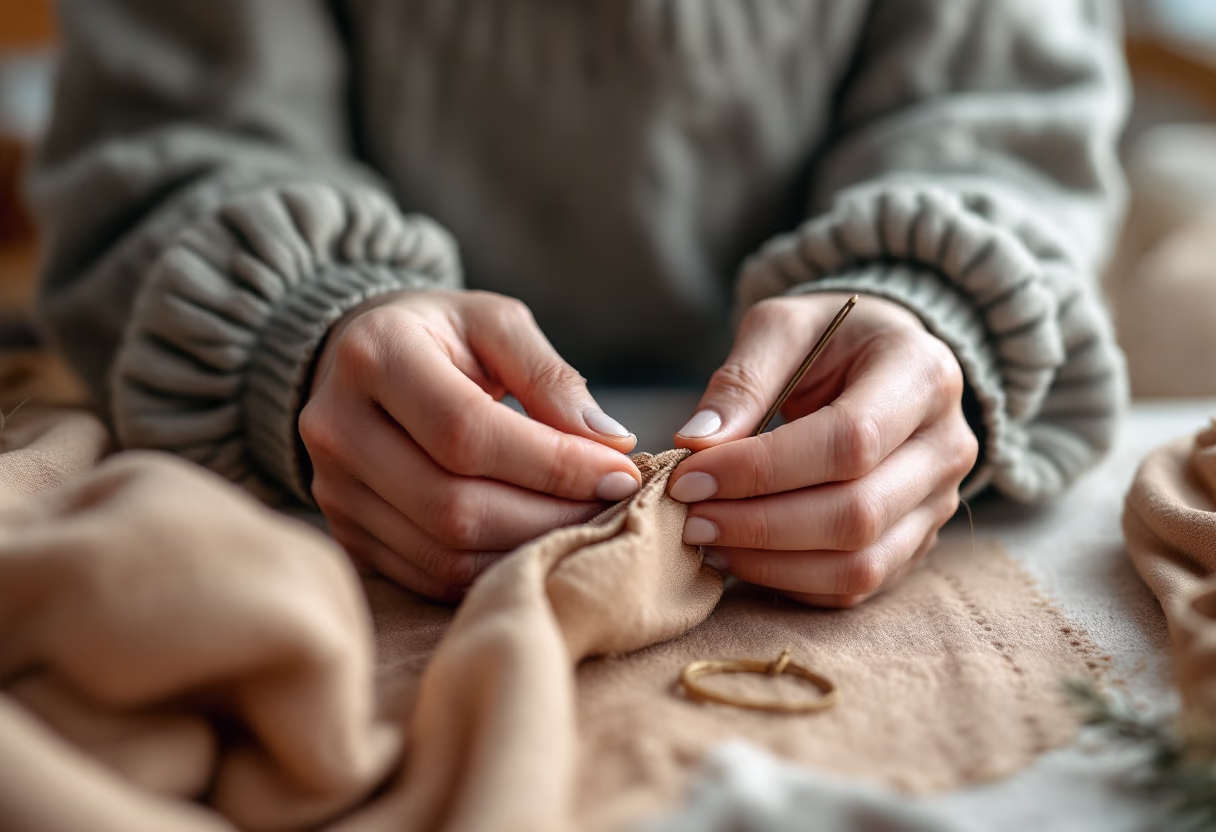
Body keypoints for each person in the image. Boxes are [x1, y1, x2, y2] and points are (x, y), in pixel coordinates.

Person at [29, 1, 1128, 606]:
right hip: (330, 505)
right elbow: (167, 132)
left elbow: (1003, 109)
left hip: (853, 499)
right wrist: (299, 325)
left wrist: (932, 299)